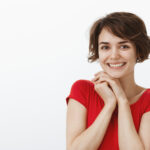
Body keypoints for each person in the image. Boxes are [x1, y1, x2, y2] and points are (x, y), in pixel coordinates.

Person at [65, 12, 150, 150]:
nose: (114, 55)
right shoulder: (82, 90)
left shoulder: (148, 100)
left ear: (138, 51)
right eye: (105, 47)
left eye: (124, 46)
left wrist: (122, 101)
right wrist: (109, 104)